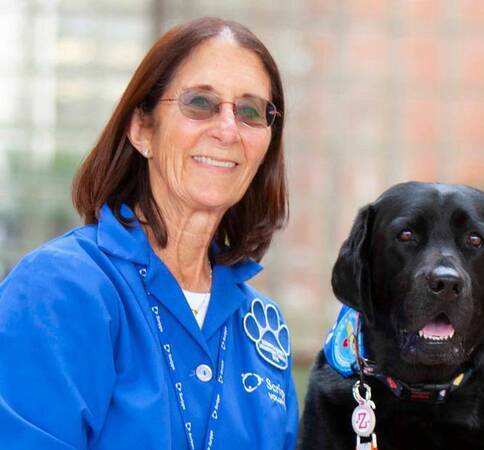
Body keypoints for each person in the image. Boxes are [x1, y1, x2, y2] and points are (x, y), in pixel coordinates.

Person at [0, 17, 297, 450]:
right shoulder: (59, 290)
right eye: (201, 103)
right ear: (142, 128)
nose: (228, 130)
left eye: (251, 111)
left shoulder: (261, 327)